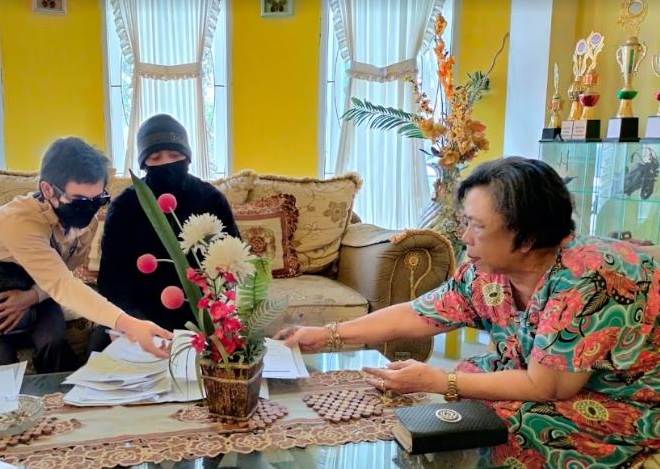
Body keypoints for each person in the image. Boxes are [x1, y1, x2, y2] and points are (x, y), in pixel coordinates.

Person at [276, 156, 660, 467]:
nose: (464, 237)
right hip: (539, 375)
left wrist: (439, 381)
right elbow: (420, 313)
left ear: (526, 237)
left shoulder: (588, 277)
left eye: (477, 226)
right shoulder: (485, 270)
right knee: (458, 399)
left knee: (507, 424)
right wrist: (327, 335)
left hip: (620, 396)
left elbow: (551, 387)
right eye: (465, 223)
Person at [0, 137, 172, 373]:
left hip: (39, 289)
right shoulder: (17, 223)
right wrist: (130, 325)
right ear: (47, 190)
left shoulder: (83, 220)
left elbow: (62, 275)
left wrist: (31, 296)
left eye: (98, 199)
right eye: (79, 200)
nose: (90, 209)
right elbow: (62, 283)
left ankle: (67, 395)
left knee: (55, 346)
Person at [91, 114, 239, 352]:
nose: (166, 163)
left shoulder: (211, 199)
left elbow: (233, 263)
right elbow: (113, 278)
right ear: (144, 163)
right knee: (99, 349)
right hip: (139, 315)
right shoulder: (125, 206)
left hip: (201, 314)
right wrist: (126, 324)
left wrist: (218, 314)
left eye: (175, 155)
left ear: (187, 157)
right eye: (155, 157)